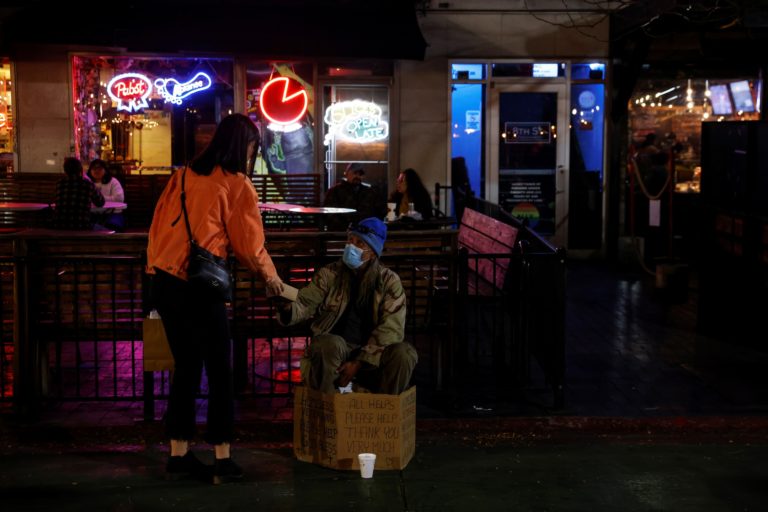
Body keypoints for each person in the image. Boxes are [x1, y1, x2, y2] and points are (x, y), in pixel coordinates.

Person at [146, 113, 284, 484]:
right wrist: (273, 281)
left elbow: (157, 226)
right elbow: (250, 246)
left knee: (186, 368)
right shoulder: (236, 183)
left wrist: (155, 274)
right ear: (245, 147)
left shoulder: (183, 176)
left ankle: (179, 454)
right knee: (220, 370)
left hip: (165, 282)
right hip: (201, 288)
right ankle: (222, 456)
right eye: (254, 147)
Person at [276, 217, 417, 395]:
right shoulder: (330, 274)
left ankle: (385, 414)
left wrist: (359, 362)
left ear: (373, 252)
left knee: (404, 353)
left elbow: (391, 329)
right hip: (336, 350)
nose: (351, 246)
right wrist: (287, 308)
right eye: (350, 239)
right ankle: (328, 415)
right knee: (327, 344)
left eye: (359, 243)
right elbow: (306, 302)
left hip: (374, 354)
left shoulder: (388, 281)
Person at [323, 163, 386, 230]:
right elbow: (329, 213)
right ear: (346, 174)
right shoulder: (335, 191)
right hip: (341, 233)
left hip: (365, 232)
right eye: (355, 173)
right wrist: (344, 227)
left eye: (360, 174)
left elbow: (380, 211)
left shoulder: (370, 192)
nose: (357, 176)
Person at [51, 157, 105, 230]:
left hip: (59, 226)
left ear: (65, 171)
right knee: (106, 231)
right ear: (80, 170)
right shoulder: (88, 184)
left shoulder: (59, 184)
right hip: (82, 226)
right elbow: (100, 202)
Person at [86, 158, 125, 231]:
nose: (97, 171)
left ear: (105, 170)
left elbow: (119, 198)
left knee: (112, 227)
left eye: (100, 168)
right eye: (94, 168)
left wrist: (99, 198)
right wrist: (109, 198)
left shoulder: (113, 181)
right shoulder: (87, 183)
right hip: (92, 214)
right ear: (90, 171)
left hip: (113, 213)